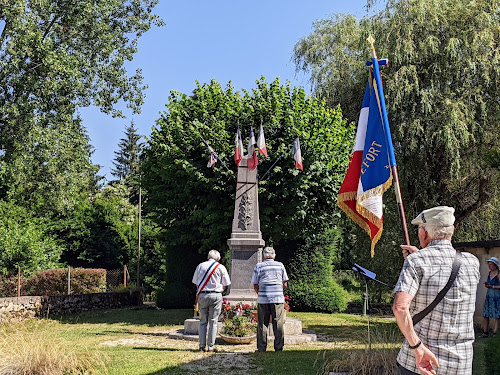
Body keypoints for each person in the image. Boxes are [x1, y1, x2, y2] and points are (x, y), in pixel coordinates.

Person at [393, 206, 480, 375]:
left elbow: (400, 308)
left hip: (418, 363)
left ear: (423, 233)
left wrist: (417, 348)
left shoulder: (416, 262)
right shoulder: (472, 263)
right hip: (460, 365)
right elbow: (446, 282)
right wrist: (421, 257)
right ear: (452, 230)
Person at [192, 250, 231, 353]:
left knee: (202, 321)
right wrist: (220, 290)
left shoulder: (201, 266)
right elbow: (226, 283)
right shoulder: (221, 267)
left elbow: (196, 282)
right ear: (218, 258)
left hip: (203, 294)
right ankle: (211, 347)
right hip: (216, 294)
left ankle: (201, 346)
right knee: (213, 322)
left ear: (208, 257)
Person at [251, 246, 289, 352]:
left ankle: (262, 348)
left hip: (263, 299)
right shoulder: (280, 265)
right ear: (274, 256)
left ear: (263, 256)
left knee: (262, 323)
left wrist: (261, 294)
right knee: (278, 323)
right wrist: (279, 292)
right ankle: (279, 347)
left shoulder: (259, 266)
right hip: (277, 298)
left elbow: (255, 284)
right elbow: (284, 283)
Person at [480, 256, 500, 337]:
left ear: (495, 265)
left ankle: (495, 332)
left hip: (497, 296)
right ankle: (485, 332)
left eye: (491, 265)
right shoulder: (489, 273)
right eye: (489, 265)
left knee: (497, 314)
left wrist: (493, 287)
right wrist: (487, 285)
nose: (489, 266)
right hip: (489, 295)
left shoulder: (499, 274)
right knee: (486, 314)